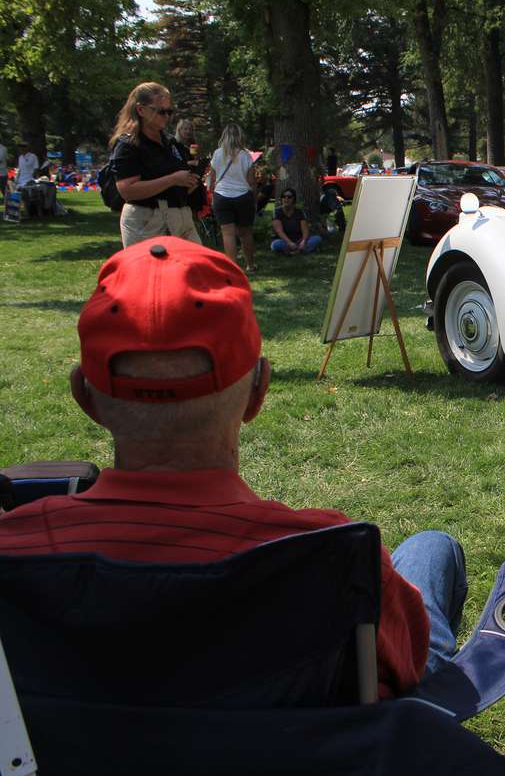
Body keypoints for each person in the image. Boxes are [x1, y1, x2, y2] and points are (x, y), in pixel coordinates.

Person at [0, 237, 468, 694]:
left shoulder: (16, 551)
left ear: (84, 396)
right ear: (258, 391)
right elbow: (405, 666)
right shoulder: (333, 556)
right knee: (432, 549)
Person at [108, 82, 202, 247]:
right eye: (160, 111)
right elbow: (127, 190)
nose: (166, 116)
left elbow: (177, 182)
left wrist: (189, 181)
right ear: (140, 110)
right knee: (152, 273)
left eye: (169, 111)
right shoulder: (129, 144)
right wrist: (172, 179)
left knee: (197, 270)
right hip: (147, 221)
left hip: (180, 217)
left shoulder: (171, 142)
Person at [208, 124, 258, 271]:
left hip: (222, 196)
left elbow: (212, 178)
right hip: (243, 196)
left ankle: (233, 267)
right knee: (246, 232)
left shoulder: (217, 154)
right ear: (240, 136)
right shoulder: (246, 156)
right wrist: (254, 198)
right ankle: (250, 264)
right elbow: (251, 181)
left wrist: (212, 194)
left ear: (224, 136)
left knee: (227, 233)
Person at [271, 188, 321, 254]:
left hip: (299, 240)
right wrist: (290, 243)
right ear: (281, 199)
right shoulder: (277, 212)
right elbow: (279, 231)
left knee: (317, 239)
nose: (286, 199)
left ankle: (292, 251)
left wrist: (303, 241)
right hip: (284, 241)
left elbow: (305, 230)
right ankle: (302, 251)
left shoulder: (299, 212)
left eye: (289, 197)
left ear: (294, 199)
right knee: (276, 245)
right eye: (284, 196)